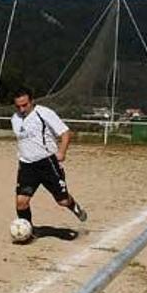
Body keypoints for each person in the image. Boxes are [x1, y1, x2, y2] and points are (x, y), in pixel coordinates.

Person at [11, 87, 87, 238]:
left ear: (32, 101)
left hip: (47, 163)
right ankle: (28, 232)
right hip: (27, 166)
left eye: (25, 105)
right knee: (21, 202)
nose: (21, 109)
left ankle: (74, 206)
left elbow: (65, 133)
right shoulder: (15, 119)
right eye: (18, 106)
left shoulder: (44, 113)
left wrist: (62, 152)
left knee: (63, 201)